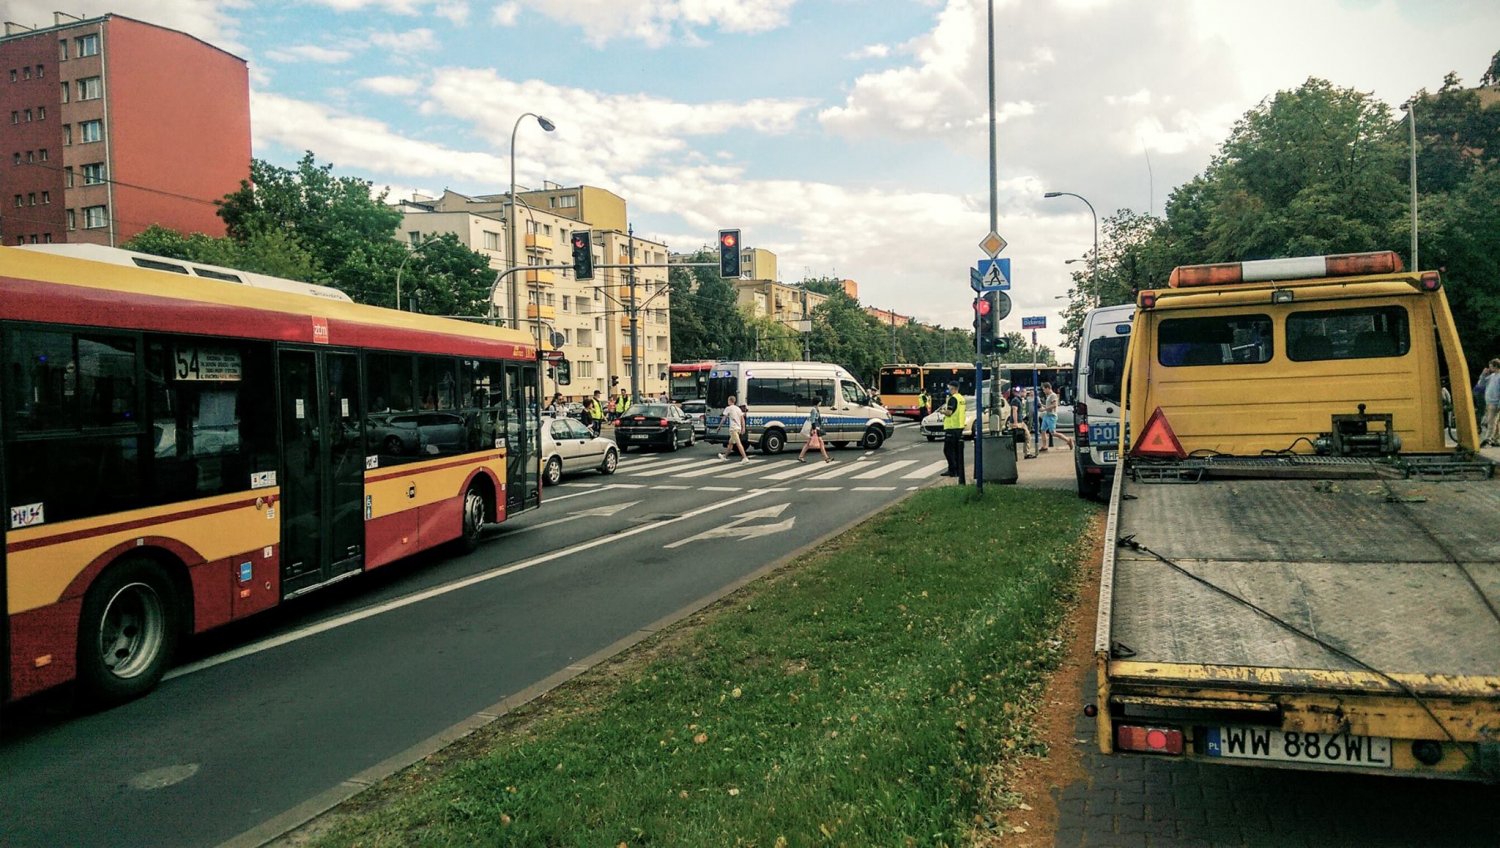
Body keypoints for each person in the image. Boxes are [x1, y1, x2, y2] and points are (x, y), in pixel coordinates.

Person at [939, 380, 966, 484]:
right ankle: (958, 471)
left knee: (948, 450)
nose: (948, 390)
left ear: (953, 388)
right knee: (957, 451)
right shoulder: (961, 398)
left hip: (952, 428)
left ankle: (952, 470)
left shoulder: (953, 399)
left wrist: (942, 411)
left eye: (949, 388)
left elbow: (949, 412)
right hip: (959, 427)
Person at [1039, 382, 1073, 451]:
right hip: (1047, 415)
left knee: (1053, 432)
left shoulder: (1053, 395)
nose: (1044, 391)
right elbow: (1050, 405)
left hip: (1052, 416)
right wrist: (1043, 406)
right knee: (1042, 430)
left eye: (1044, 389)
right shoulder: (1048, 396)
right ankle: (1044, 446)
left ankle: (1068, 440)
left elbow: (1054, 405)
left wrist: (1044, 409)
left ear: (1048, 388)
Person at [716, 394, 750, 464]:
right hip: (738, 428)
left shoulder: (728, 408)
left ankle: (745, 458)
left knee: (738, 443)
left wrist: (719, 427)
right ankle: (724, 456)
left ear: (730, 401)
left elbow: (724, 418)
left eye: (728, 400)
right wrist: (743, 428)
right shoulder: (738, 408)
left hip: (733, 428)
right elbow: (742, 419)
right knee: (730, 443)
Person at [798, 395, 832, 463]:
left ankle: (801, 456)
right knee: (820, 442)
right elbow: (813, 420)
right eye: (820, 401)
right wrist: (814, 429)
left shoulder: (816, 409)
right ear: (818, 402)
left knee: (809, 443)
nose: (821, 402)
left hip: (816, 428)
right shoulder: (814, 410)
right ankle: (826, 458)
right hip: (815, 428)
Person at [1008, 388, 1036, 459]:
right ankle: (1026, 453)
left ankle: (1027, 453)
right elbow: (1014, 411)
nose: (1026, 394)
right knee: (1026, 436)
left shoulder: (1019, 400)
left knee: (1027, 436)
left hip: (1021, 421)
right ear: (1021, 392)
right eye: (1025, 392)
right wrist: (1015, 423)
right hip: (1018, 422)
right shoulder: (1016, 400)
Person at [1484, 358, 1500, 446]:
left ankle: (1487, 439)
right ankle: (1496, 439)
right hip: (1489, 402)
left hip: (1495, 402)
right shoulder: (1492, 376)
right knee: (1495, 422)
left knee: (1491, 422)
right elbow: (1481, 384)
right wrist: (1483, 375)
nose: (1489, 368)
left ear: (1496, 366)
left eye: (1490, 366)